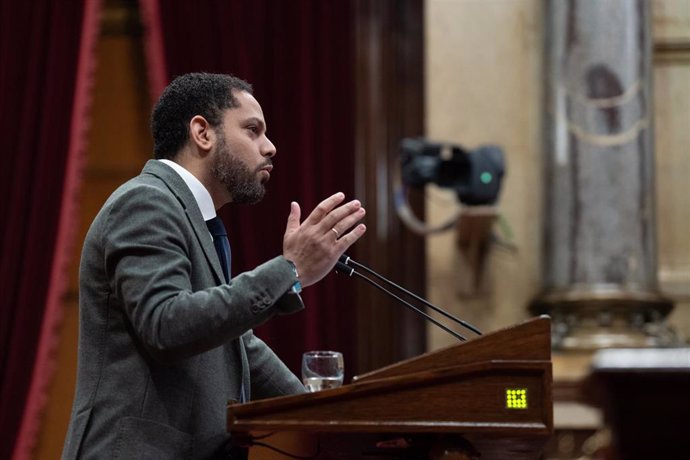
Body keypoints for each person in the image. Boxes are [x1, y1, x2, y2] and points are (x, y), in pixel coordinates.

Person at [62, 72, 366, 459]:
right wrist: (290, 269)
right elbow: (166, 324)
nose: (270, 147)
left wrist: (330, 417)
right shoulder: (145, 202)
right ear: (203, 133)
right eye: (253, 130)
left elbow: (236, 345)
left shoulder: (196, 220)